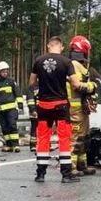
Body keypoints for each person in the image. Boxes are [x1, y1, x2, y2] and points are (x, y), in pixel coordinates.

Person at [30, 36, 81, 183]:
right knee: (64, 139)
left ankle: (40, 174)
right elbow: (76, 84)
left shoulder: (38, 61)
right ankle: (66, 174)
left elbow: (32, 82)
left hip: (43, 105)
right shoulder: (66, 62)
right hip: (60, 104)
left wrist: (40, 90)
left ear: (48, 46)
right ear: (62, 47)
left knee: (43, 139)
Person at [67, 35, 101, 176]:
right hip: (74, 108)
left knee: (83, 137)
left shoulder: (79, 65)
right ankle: (71, 167)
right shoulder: (74, 65)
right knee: (75, 138)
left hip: (81, 109)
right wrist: (92, 86)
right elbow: (77, 86)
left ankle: (82, 165)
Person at [0, 62, 23, 152]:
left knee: (12, 125)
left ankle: (15, 145)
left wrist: (20, 105)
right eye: (3, 71)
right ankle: (8, 145)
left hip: (11, 109)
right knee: (4, 127)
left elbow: (18, 93)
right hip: (0, 110)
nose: (5, 73)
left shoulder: (11, 81)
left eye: (6, 71)